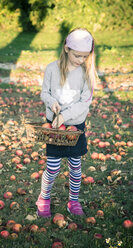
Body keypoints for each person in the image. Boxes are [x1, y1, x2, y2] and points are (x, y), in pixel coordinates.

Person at [36, 28, 98, 218]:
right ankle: (44, 198)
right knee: (53, 167)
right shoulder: (52, 69)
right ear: (66, 48)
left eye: (85, 56)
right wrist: (51, 103)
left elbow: (84, 103)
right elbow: (44, 93)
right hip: (54, 127)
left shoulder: (86, 73)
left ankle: (73, 201)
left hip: (75, 128)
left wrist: (65, 116)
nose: (81, 60)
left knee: (75, 166)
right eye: (77, 55)